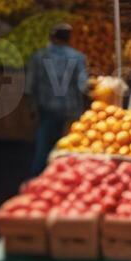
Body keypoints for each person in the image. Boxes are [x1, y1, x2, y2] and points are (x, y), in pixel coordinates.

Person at [26, 22, 88, 174]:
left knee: (43, 151)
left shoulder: (38, 57)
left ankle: (36, 182)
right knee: (68, 151)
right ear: (69, 38)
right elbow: (83, 86)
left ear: (51, 37)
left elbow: (28, 87)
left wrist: (32, 108)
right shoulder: (78, 57)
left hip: (46, 111)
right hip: (71, 112)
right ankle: (64, 180)